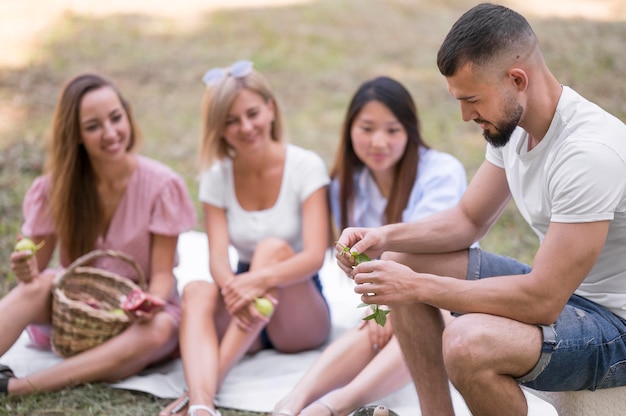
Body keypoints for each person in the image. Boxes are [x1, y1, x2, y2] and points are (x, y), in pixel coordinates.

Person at [336, 3, 626, 416]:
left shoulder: (589, 154)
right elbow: (467, 220)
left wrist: (417, 287)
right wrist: (383, 238)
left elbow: (542, 301)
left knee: (467, 342)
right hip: (570, 298)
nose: (465, 115)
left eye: (472, 99)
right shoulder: (514, 130)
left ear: (517, 80)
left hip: (616, 327)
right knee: (403, 259)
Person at [273, 76, 468, 416]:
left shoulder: (440, 172)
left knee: (403, 319)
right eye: (367, 128)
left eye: (392, 130)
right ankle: (292, 404)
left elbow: (422, 255)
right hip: (388, 297)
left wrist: (389, 305)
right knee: (374, 326)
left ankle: (333, 406)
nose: (379, 142)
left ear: (409, 131)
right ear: (350, 130)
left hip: (449, 298)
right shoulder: (346, 185)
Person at [1, 73, 197, 395]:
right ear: (76, 134)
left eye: (116, 118)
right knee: (37, 287)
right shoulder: (56, 189)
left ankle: (20, 387)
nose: (110, 133)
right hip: (79, 310)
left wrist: (148, 302)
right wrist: (25, 267)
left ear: (127, 115)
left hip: (136, 320)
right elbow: (35, 268)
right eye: (93, 126)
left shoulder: (161, 185)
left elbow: (162, 276)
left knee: (160, 328)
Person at [160, 60, 331, 416]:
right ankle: (203, 409)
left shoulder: (305, 166)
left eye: (253, 113)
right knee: (196, 289)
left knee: (271, 249)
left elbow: (315, 255)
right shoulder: (215, 176)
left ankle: (198, 393)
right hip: (245, 306)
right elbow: (219, 261)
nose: (246, 127)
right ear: (218, 129)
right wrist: (236, 287)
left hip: (298, 306)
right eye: (231, 121)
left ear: (271, 108)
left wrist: (257, 279)